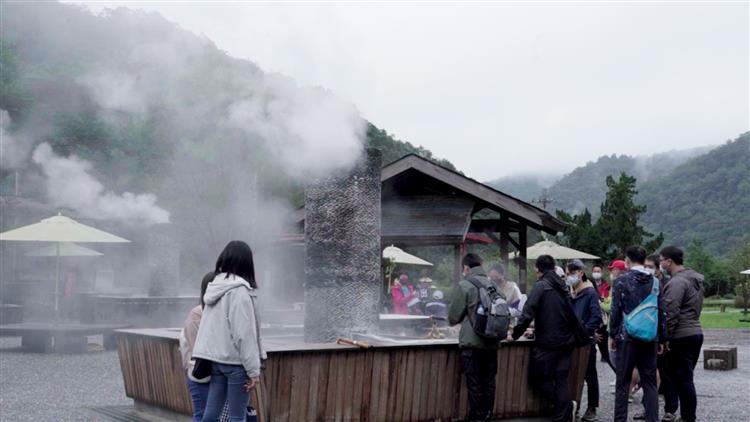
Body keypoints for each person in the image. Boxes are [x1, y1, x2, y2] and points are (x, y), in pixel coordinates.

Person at [193, 241, 266, 422]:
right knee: (236, 416)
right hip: (235, 363)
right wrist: (253, 371)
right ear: (247, 263)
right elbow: (244, 334)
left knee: (211, 412)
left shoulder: (215, 287)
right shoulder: (239, 292)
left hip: (216, 361)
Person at [509, 254, 585, 422]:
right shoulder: (562, 285)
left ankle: (564, 407)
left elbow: (528, 312)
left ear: (537, 268)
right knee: (560, 378)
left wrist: (514, 334)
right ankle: (562, 415)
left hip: (548, 343)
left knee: (537, 378)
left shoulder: (541, 286)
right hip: (567, 341)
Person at [609, 246, 666, 422]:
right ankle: (652, 419)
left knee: (623, 382)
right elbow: (661, 311)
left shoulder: (621, 281)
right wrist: (662, 338)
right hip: (650, 338)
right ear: (643, 260)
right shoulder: (656, 282)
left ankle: (620, 419)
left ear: (627, 260)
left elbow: (615, 310)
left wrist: (612, 334)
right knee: (649, 382)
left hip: (626, 337)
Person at [448, 253, 499, 421]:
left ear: (466, 268)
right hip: (492, 341)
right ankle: (487, 416)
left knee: (475, 384)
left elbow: (453, 317)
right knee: (489, 383)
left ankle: (476, 418)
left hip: (472, 344)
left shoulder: (465, 285)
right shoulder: (494, 285)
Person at [659, 246, 704, 422]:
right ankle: (686, 415)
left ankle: (688, 417)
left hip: (681, 335)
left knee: (684, 379)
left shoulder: (677, 282)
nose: (660, 263)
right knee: (684, 378)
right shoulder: (695, 280)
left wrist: (665, 337)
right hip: (695, 331)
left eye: (662, 259)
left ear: (669, 261)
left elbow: (671, 312)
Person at [566, 259, 602, 422]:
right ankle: (574, 406)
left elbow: (596, 317)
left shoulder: (590, 292)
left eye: (571, 273)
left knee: (589, 375)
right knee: (571, 374)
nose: (569, 277)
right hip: (570, 340)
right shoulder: (570, 291)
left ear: (580, 273)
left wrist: (584, 332)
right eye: (567, 274)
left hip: (585, 341)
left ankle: (592, 407)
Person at [179, 272, 216, 422]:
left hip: (215, 375)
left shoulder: (219, 312)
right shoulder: (197, 313)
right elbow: (197, 348)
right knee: (202, 415)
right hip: (201, 373)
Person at [592, 264, 616, 372]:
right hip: (595, 318)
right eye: (595, 271)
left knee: (603, 343)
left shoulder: (607, 286)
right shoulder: (590, 284)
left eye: (598, 271)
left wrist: (600, 301)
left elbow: (607, 302)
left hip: (604, 318)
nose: (596, 273)